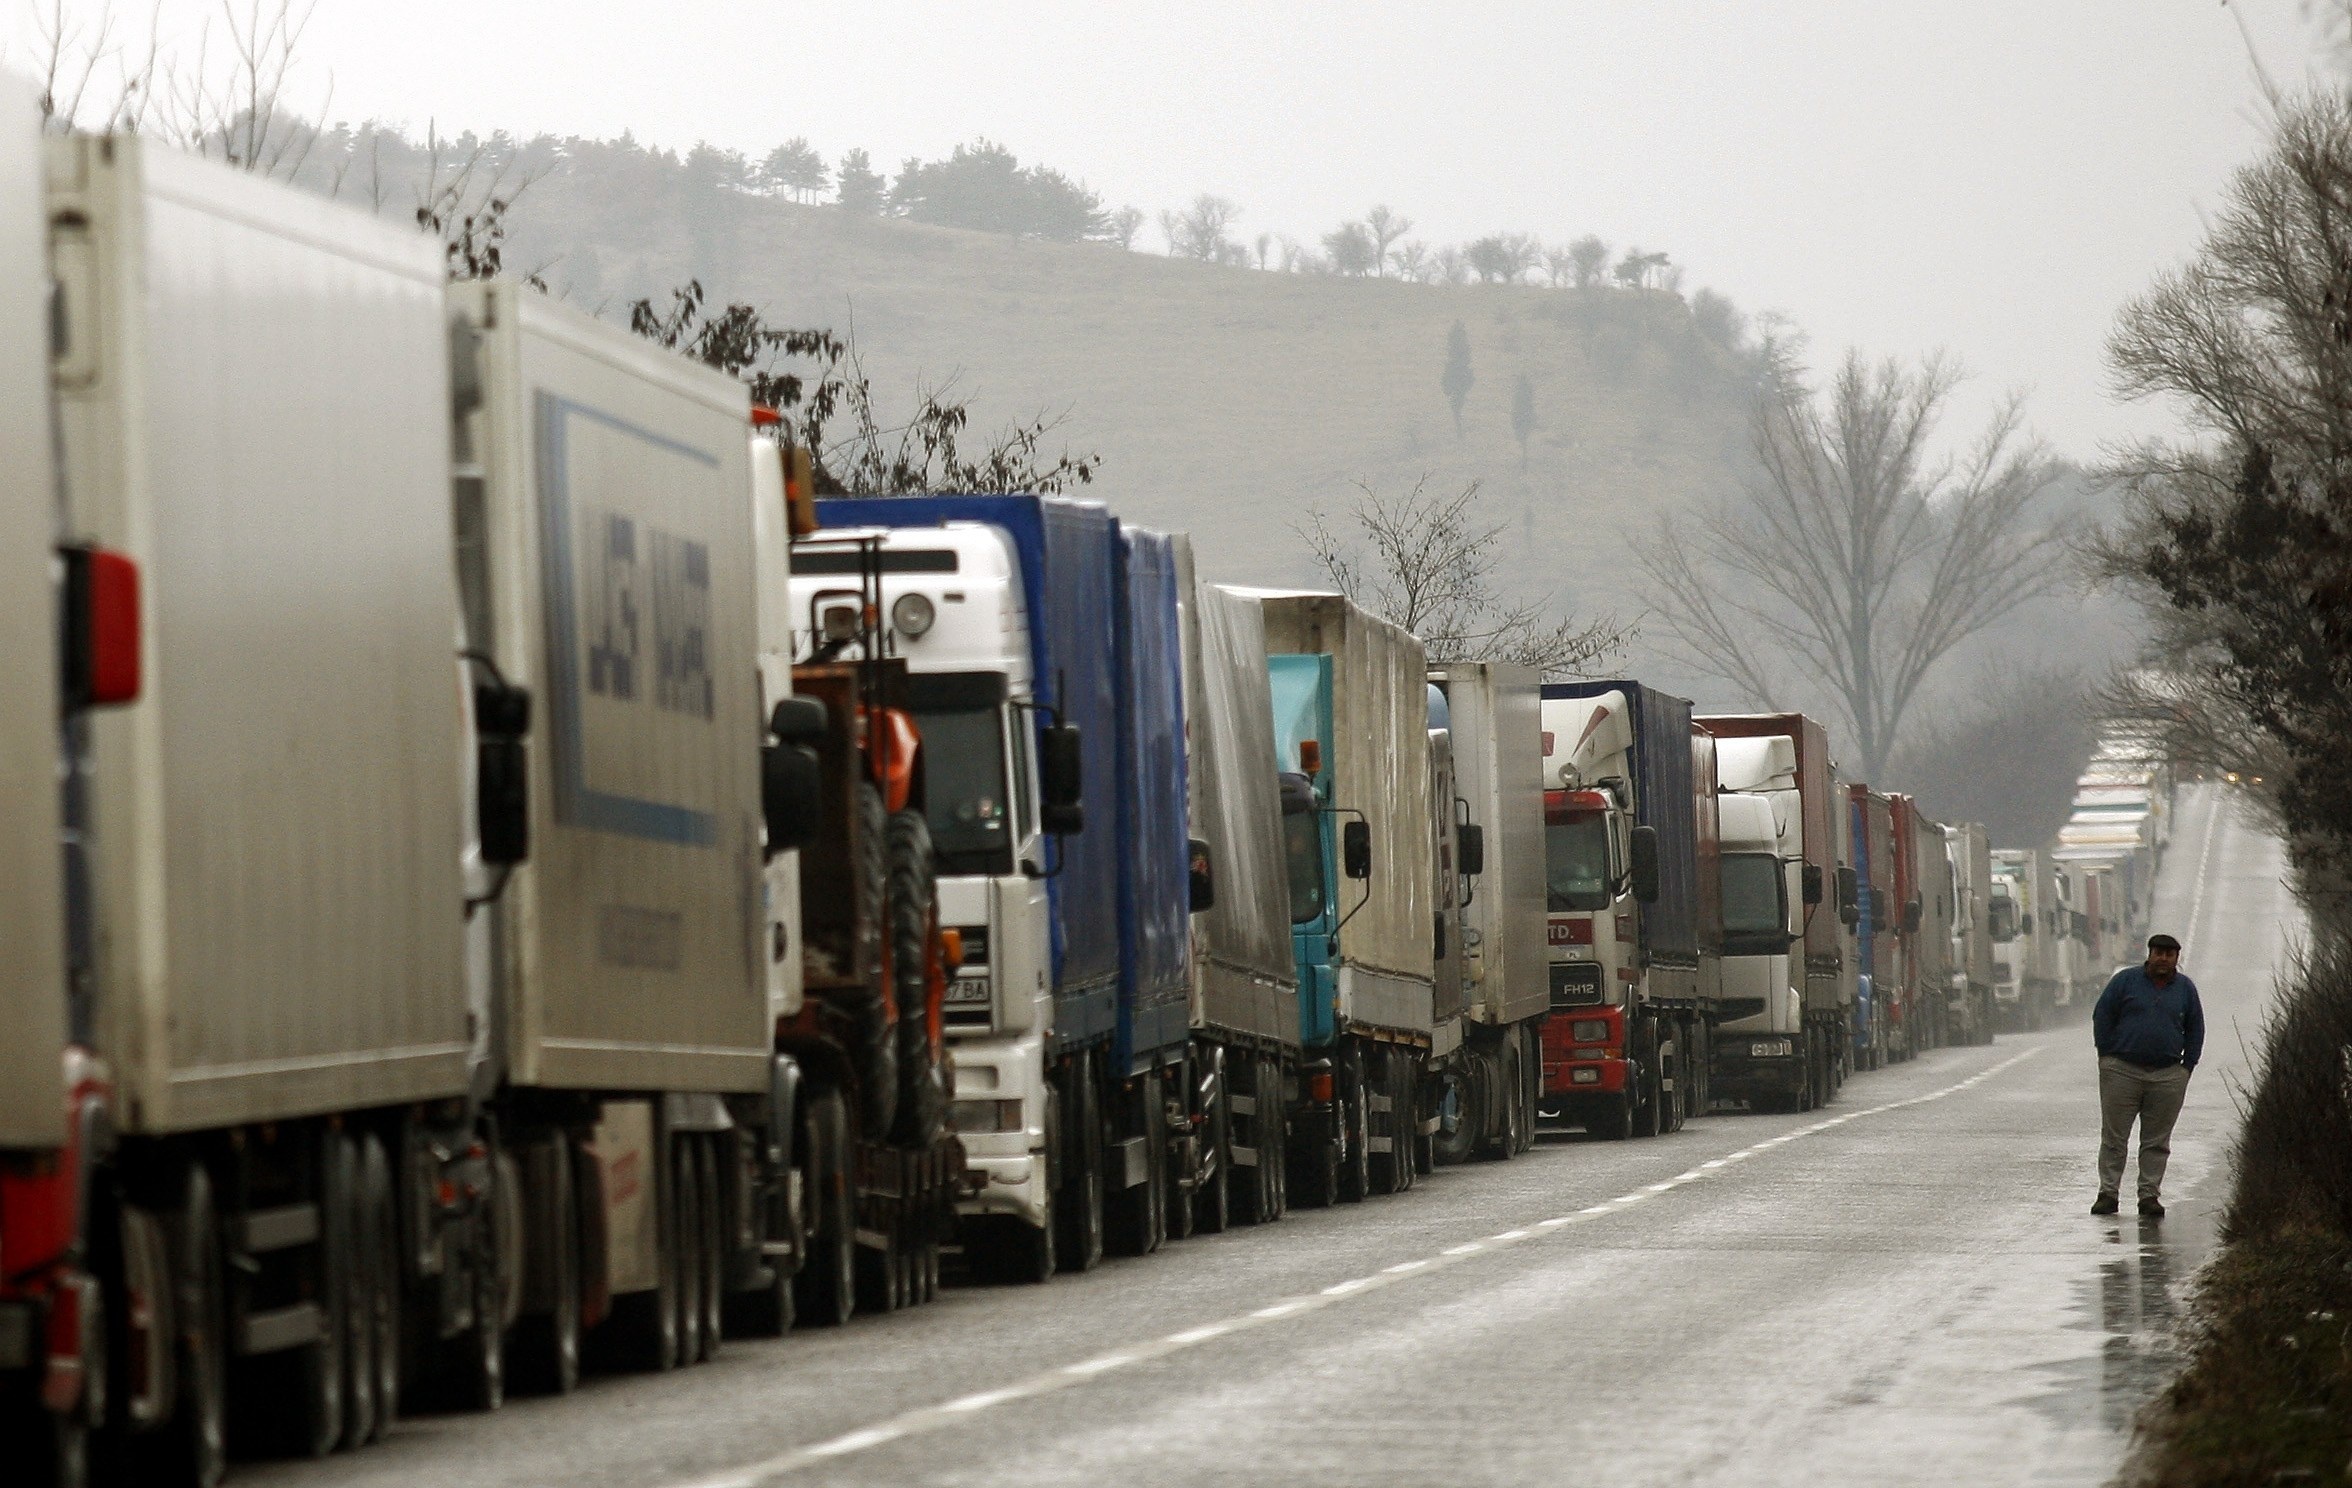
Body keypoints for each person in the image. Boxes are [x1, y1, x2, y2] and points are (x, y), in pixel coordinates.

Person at [2089, 933, 2204, 1218]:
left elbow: (2195, 1028)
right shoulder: (2125, 981)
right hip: (2122, 1071)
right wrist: (2106, 1056)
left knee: (2157, 1141)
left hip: (2167, 1075)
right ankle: (2108, 1194)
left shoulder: (2185, 989)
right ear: (2149, 955)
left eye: (2169, 954)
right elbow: (2102, 1015)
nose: (2163, 958)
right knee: (2114, 1137)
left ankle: (2149, 1195)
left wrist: (2186, 1066)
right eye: (2158, 953)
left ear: (2177, 958)